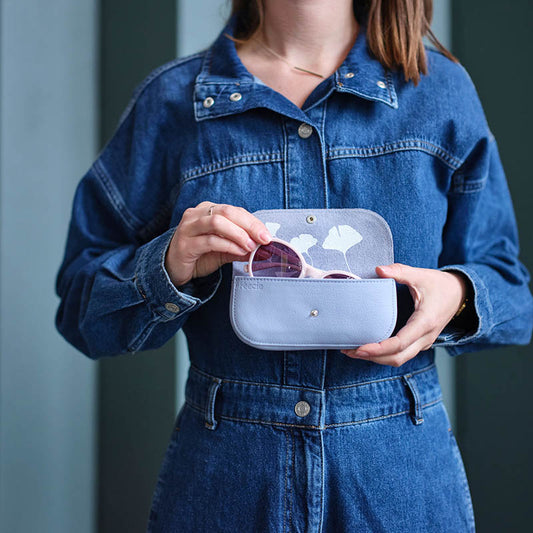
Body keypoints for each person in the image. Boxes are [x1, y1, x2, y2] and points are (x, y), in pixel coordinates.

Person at [55, 0, 533, 531]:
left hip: (401, 491)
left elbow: (511, 290)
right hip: (226, 491)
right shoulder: (171, 102)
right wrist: (168, 265)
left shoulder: (439, 90)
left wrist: (457, 295)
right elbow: (80, 311)